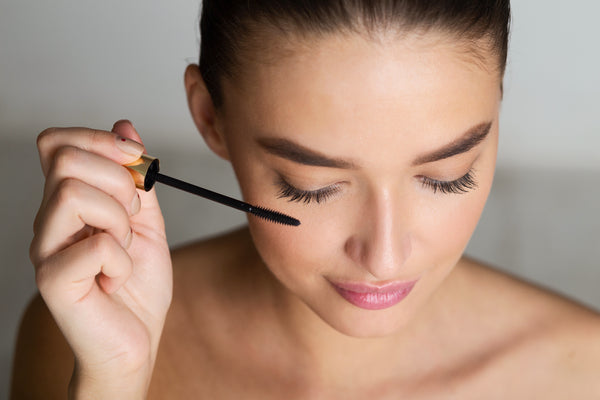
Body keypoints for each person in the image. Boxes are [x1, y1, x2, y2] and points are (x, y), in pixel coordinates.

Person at [11, 0, 600, 398]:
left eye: (447, 176)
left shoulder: (583, 374)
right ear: (211, 117)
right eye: (311, 187)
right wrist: (113, 380)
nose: (384, 258)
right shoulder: (82, 338)